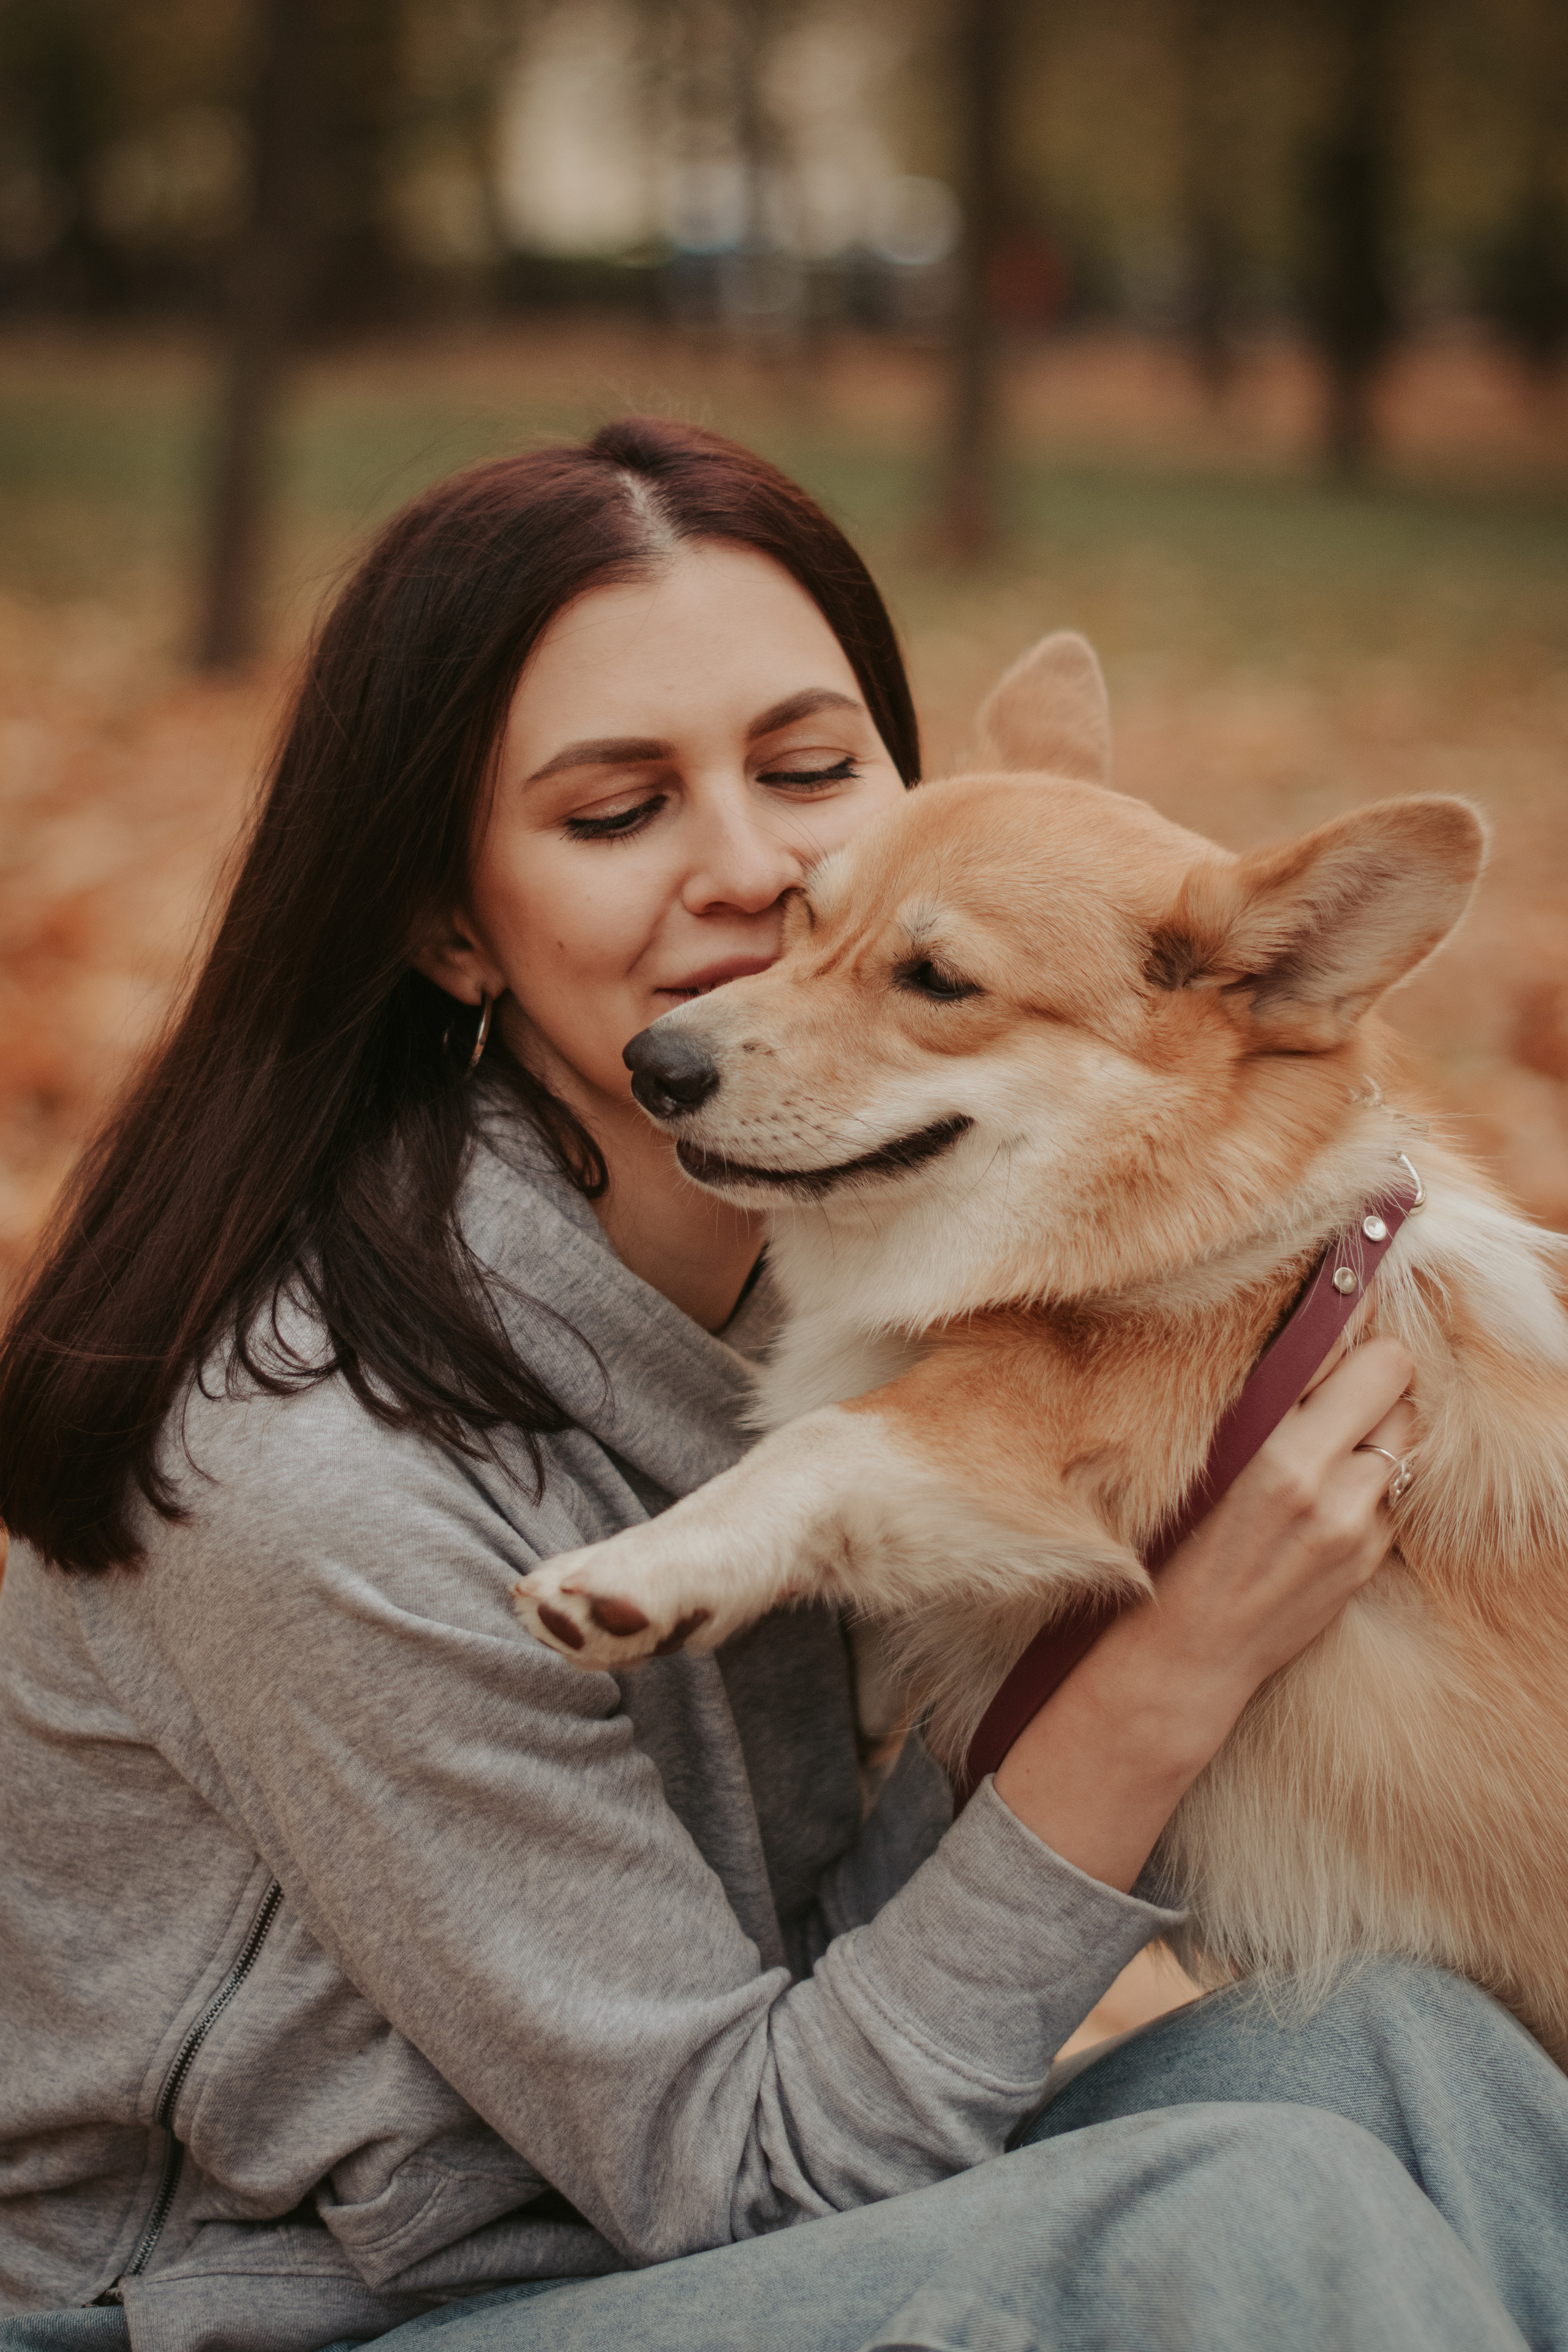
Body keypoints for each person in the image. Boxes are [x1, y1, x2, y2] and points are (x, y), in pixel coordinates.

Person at [1, 417, 1564, 2352]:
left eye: (814, 772)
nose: (750, 870)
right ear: (450, 926)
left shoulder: (849, 1290)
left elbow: (851, 1981)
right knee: (1252, 2216)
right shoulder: (312, 1477)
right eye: (615, 812)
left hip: (693, 2238)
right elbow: (733, 2171)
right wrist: (1160, 1677)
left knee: (1413, 2062)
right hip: (323, 2316)